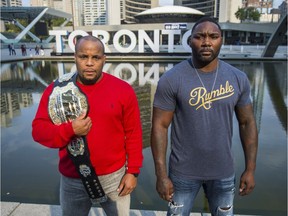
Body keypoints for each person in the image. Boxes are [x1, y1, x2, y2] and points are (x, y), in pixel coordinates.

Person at [151, 16, 258, 216]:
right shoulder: (172, 79)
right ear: (190, 40)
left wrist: (250, 168)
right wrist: (161, 174)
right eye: (199, 36)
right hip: (182, 174)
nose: (207, 41)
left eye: (213, 36)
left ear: (221, 40)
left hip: (223, 172)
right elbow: (160, 127)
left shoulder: (238, 78)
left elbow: (247, 123)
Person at [32, 35, 143, 216]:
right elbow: (38, 131)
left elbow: (133, 134)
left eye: (96, 58)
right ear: (75, 57)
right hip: (72, 178)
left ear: (104, 59)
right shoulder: (57, 90)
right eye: (84, 57)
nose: (89, 63)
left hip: (114, 178)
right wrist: (70, 130)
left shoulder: (123, 90)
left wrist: (133, 172)